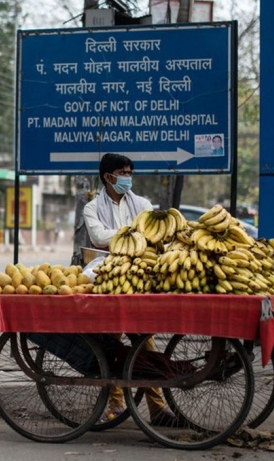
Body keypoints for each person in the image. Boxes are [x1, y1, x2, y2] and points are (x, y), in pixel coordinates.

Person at [82, 153, 179, 427]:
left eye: (129, 172)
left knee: (144, 341)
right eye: (123, 172)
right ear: (108, 177)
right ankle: (115, 405)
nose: (127, 177)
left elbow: (153, 237)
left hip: (140, 272)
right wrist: (133, 235)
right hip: (109, 273)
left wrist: (125, 237)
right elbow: (97, 238)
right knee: (110, 345)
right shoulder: (91, 208)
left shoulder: (143, 204)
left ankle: (158, 408)